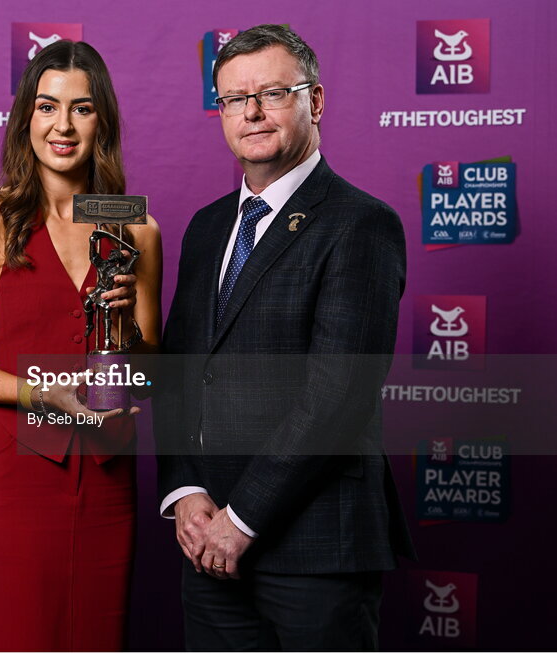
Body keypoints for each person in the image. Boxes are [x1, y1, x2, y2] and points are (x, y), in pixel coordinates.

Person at [155, 24, 414, 650]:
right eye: (233, 98)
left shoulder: (362, 224)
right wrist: (186, 493)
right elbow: (182, 374)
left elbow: (337, 396)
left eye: (272, 92)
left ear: (315, 101)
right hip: (207, 545)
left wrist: (242, 520)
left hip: (315, 549)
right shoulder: (207, 226)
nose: (251, 113)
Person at [0, 40, 161, 651]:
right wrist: (41, 395)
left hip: (108, 475)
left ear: (102, 121)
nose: (62, 126)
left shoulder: (134, 224)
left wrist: (130, 333)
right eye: (46, 106)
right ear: (25, 119)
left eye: (81, 108)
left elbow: (148, 371)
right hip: (13, 473)